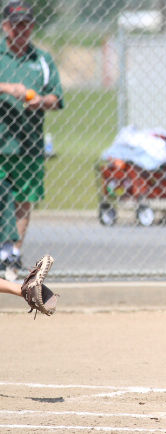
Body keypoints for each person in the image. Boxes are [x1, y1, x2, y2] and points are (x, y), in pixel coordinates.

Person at [0, 1, 64, 279]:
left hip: (28, 145)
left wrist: (41, 101)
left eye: (27, 24)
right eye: (16, 24)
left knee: (24, 200)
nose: (22, 29)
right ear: (5, 27)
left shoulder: (42, 59)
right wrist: (7, 88)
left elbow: (56, 97)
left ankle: (11, 256)